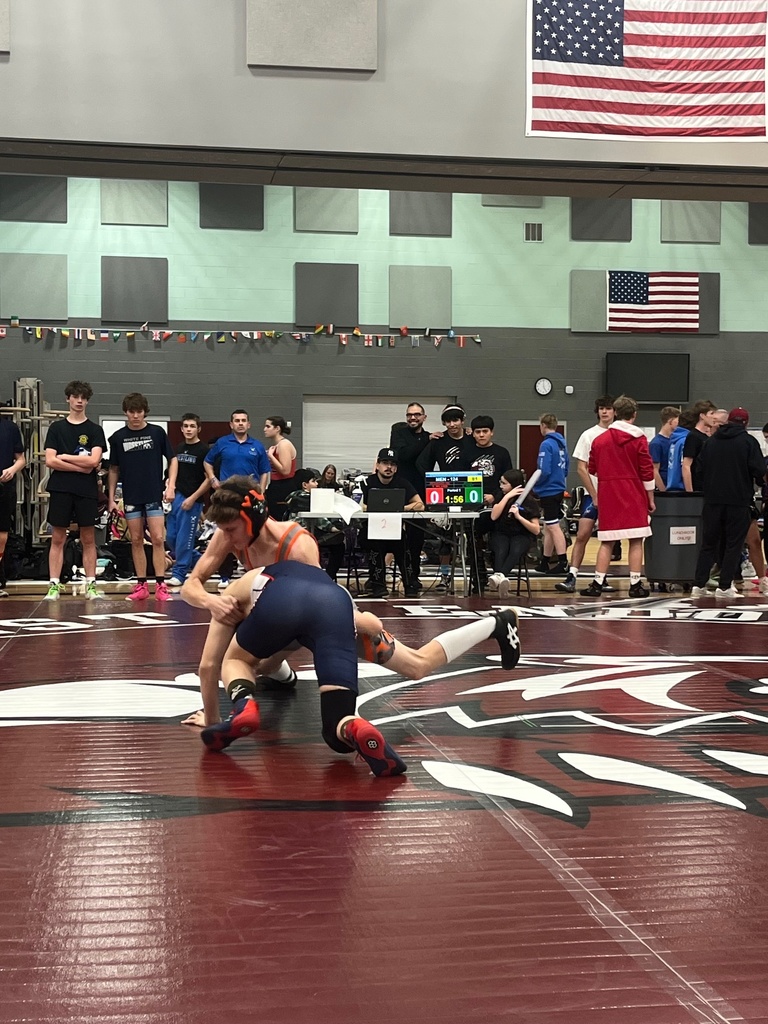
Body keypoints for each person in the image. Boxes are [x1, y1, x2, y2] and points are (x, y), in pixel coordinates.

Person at [180, 476, 523, 729]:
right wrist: (211, 601)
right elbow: (189, 586)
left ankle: (497, 623)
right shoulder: (232, 535)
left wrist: (360, 626)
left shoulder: (296, 545)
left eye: (229, 529)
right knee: (239, 659)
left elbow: (316, 610)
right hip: (276, 614)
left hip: (324, 616)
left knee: (417, 666)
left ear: (251, 519)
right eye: (222, 530)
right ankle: (278, 676)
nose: (224, 538)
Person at [199, 561, 409, 776]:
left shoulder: (232, 594)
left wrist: (211, 721)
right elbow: (374, 626)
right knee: (335, 729)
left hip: (281, 599)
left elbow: (208, 665)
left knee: (236, 661)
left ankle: (244, 705)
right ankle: (354, 726)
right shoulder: (327, 584)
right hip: (335, 606)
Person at [580, 395, 655, 599]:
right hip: (634, 492)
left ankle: (597, 583)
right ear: (634, 415)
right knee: (636, 540)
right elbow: (647, 471)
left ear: (615, 413)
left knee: (607, 541)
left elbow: (592, 469)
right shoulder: (639, 439)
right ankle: (635, 584)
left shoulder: (599, 440)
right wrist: (650, 498)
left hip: (608, 494)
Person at [107, 392, 176, 602]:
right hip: (131, 496)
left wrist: (171, 485)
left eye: (139, 412)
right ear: (126, 413)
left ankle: (161, 585)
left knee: (157, 538)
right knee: (136, 540)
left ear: (145, 412)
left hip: (153, 494)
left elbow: (173, 459)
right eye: (131, 412)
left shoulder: (156, 433)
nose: (135, 416)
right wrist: (110, 498)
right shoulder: (118, 437)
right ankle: (141, 585)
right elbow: (113, 469)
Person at [691, 407, 766, 601]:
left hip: (712, 501)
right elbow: (759, 471)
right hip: (738, 501)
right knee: (734, 544)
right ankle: (724, 586)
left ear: (727, 422)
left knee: (708, 544)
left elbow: (698, 470)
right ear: (746, 423)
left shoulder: (711, 442)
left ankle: (698, 584)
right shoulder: (749, 442)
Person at [43, 380, 107, 601]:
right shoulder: (57, 428)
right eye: (75, 397)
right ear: (68, 399)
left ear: (87, 400)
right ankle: (54, 584)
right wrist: (82, 465)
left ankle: (91, 585)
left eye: (83, 398)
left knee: (89, 538)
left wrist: (67, 457)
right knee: (58, 537)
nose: (79, 401)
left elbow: (95, 460)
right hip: (61, 488)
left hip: (86, 490)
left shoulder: (94, 430)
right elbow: (50, 461)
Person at [555, 395, 615, 594]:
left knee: (608, 538)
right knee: (582, 534)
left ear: (615, 411)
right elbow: (581, 468)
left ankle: (601, 578)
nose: (604, 412)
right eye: (601, 409)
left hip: (613, 495)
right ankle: (572, 576)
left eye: (608, 408)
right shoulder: (589, 435)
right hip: (593, 494)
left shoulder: (619, 434)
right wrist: (594, 494)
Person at [361, 447, 425, 597]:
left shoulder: (402, 483)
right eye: (385, 463)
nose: (388, 467)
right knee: (374, 546)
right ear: (377, 465)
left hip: (395, 530)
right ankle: (377, 585)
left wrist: (400, 508)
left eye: (392, 464)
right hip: (372, 531)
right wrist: (373, 508)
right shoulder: (366, 483)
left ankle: (410, 584)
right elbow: (357, 505)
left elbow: (420, 505)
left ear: (396, 468)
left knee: (404, 546)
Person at [165, 413, 210, 588]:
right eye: (186, 426)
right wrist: (169, 485)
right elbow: (172, 472)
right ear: (182, 429)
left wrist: (193, 498)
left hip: (192, 500)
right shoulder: (179, 448)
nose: (189, 429)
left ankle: (180, 573)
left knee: (185, 539)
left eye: (192, 426)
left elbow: (208, 478)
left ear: (198, 429)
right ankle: (203, 561)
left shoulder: (204, 451)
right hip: (177, 497)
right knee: (171, 538)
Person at [487, 468, 541, 600]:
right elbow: (494, 516)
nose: (501, 486)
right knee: (501, 549)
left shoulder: (529, 501)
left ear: (514, 484)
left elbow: (536, 529)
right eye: (501, 483)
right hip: (501, 533)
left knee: (516, 549)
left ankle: (499, 576)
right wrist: (507, 497)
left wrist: (519, 517)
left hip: (521, 535)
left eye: (504, 483)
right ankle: (502, 579)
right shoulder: (500, 495)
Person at [285, 467, 346, 582]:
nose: (317, 483)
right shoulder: (305, 498)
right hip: (305, 536)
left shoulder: (293, 497)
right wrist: (332, 528)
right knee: (339, 545)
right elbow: (318, 519)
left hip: (297, 536)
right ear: (305, 485)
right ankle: (327, 578)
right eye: (313, 481)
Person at [534, 413, 570, 575]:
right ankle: (545, 561)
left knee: (554, 526)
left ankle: (563, 561)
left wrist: (535, 486)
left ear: (543, 425)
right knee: (549, 525)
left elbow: (544, 470)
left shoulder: (546, 444)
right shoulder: (561, 443)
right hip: (558, 487)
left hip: (548, 490)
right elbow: (567, 467)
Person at [204, 409, 270, 494]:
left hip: (250, 492)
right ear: (231, 425)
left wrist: (261, 492)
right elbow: (207, 462)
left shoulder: (258, 445)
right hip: (226, 491)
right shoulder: (222, 442)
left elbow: (264, 471)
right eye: (237, 421)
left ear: (248, 425)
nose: (240, 423)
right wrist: (212, 479)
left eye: (243, 420)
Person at [0, 410, 25, 597]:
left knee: (2, 534)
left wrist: (12, 469)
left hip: (4, 486)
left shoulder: (10, 428)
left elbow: (21, 459)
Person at [264, 415, 297, 520]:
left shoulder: (284, 444)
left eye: (268, 426)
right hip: (276, 486)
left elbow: (285, 470)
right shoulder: (277, 445)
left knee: (279, 519)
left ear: (277, 428)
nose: (264, 429)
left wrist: (270, 456)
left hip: (284, 487)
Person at [682, 399, 717, 493]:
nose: (714, 417)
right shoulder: (693, 437)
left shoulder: (707, 437)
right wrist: (690, 492)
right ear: (702, 416)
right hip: (697, 489)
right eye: (712, 413)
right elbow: (686, 465)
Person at [649, 406, 680, 492]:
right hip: (665, 487)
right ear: (670, 422)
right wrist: (663, 491)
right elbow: (654, 470)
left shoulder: (675, 441)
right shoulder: (656, 443)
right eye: (677, 421)